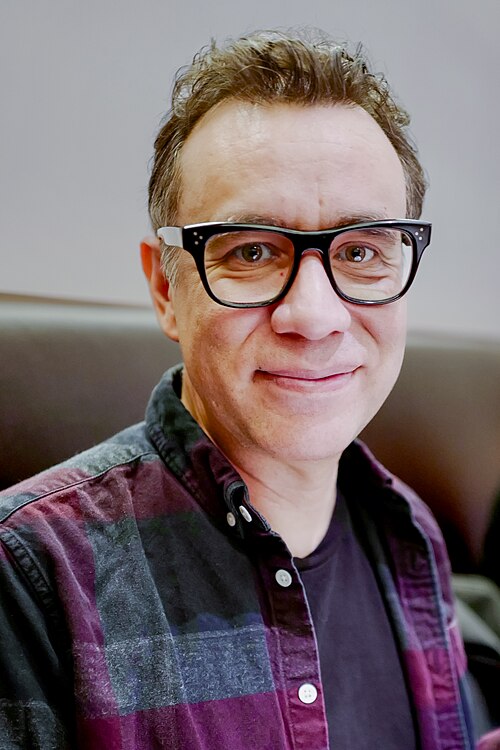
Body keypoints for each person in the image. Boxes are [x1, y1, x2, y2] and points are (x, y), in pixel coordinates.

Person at [1, 28, 498, 750]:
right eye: (254, 251)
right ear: (165, 288)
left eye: (362, 251)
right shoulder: (28, 578)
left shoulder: (409, 531)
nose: (315, 316)